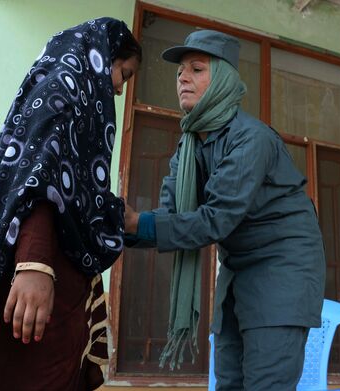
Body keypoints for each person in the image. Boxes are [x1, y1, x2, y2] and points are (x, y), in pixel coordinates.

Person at [0, 18, 141, 391]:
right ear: (102, 57)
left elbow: (71, 193)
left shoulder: (76, 109)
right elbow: (36, 181)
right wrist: (33, 264)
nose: (119, 89)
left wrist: (120, 217)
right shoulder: (61, 98)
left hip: (58, 294)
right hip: (37, 290)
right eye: (124, 73)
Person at [124, 30, 326, 390]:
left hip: (283, 270)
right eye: (180, 72)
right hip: (237, 269)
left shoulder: (252, 139)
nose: (182, 77)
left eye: (197, 69)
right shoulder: (188, 148)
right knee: (228, 381)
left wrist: (137, 222)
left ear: (224, 80)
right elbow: (167, 217)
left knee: (266, 384)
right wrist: (113, 226)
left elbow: (215, 219)